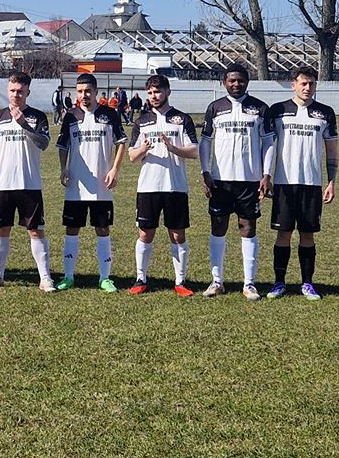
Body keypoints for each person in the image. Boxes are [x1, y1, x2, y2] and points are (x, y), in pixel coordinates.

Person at [262, 68, 339, 298]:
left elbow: (332, 150)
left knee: (308, 234)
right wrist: (265, 175)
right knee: (283, 233)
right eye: (303, 83)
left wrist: (332, 181)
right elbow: (266, 145)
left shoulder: (325, 113)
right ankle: (279, 282)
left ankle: (307, 283)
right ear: (293, 85)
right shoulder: (277, 111)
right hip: (284, 184)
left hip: (312, 184)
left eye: (311, 84)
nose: (307, 88)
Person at [124, 73, 201, 295]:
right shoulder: (141, 122)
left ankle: (180, 282)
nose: (153, 96)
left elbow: (194, 151)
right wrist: (143, 149)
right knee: (145, 234)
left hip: (175, 187)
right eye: (150, 93)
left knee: (177, 235)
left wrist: (173, 148)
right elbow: (132, 157)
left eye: (157, 91)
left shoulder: (182, 119)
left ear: (168, 91)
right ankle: (140, 279)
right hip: (148, 187)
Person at [0, 70, 55, 290]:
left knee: (36, 231)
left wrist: (23, 124)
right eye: (12, 90)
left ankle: (45, 278)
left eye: (20, 91)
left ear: (28, 92)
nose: (16, 95)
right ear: (7, 90)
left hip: (29, 184)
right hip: (3, 184)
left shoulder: (37, 116)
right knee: (1, 229)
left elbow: (43, 143)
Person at [201, 62, 269, 298]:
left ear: (247, 82)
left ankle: (249, 284)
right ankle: (216, 281)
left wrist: (266, 174)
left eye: (240, 80)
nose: (236, 84)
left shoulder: (260, 108)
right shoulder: (215, 108)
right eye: (232, 80)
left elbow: (268, 142)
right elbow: (206, 141)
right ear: (224, 83)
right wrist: (204, 171)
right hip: (220, 180)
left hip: (249, 181)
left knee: (248, 228)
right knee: (218, 227)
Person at [55, 73, 123, 290]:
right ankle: (68, 276)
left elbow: (121, 142)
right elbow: (63, 145)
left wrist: (114, 169)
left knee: (102, 229)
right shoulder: (70, 116)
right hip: (76, 185)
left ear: (95, 91)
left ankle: (105, 278)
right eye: (80, 91)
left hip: (101, 185)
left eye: (87, 91)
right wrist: (63, 168)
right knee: (72, 229)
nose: (84, 95)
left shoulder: (109, 114)